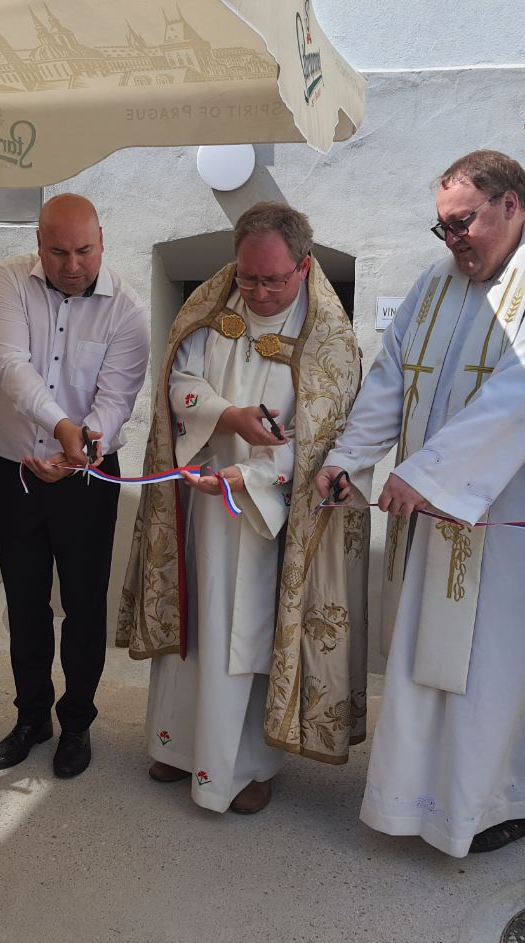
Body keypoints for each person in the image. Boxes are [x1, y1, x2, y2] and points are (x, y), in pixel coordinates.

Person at [316, 149, 525, 855]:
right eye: (443, 229)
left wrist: (427, 476)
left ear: (512, 205)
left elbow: (519, 392)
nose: (454, 241)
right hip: (440, 511)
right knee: (428, 656)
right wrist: (347, 458)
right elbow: (393, 378)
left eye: (464, 225)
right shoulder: (437, 282)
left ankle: (503, 801)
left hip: (521, 525)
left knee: (497, 664)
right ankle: (414, 800)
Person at [118, 201, 369, 814]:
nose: (256, 291)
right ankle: (176, 747)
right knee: (196, 622)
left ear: (304, 267)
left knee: (247, 634)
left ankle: (246, 766)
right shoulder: (210, 307)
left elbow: (326, 442)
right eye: (247, 275)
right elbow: (180, 380)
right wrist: (227, 417)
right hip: (199, 499)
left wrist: (255, 473)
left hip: (265, 515)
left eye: (272, 280)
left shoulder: (330, 342)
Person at [0, 193, 149, 778]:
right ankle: (31, 717)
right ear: (39, 246)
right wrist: (60, 428)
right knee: (25, 603)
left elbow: (117, 397)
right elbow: (11, 367)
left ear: (102, 242)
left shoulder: (127, 310)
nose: (72, 264)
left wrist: (84, 443)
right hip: (15, 472)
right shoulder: (7, 282)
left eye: (83, 250)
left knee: (83, 605)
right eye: (58, 252)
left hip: (90, 475)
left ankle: (76, 722)